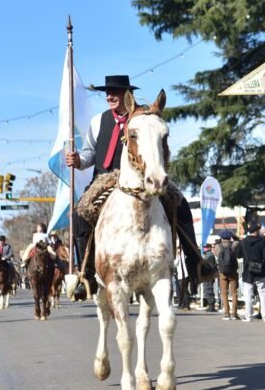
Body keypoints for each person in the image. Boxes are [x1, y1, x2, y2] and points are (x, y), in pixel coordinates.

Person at [65, 75, 207, 297]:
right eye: (107, 93)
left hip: (141, 176)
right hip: (105, 178)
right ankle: (87, 274)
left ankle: (196, 262)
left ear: (127, 95)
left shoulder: (145, 116)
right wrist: (79, 160)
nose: (110, 96)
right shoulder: (97, 121)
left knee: (180, 204)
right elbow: (90, 152)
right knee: (79, 213)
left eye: (115, 92)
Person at [239, 225, 265, 322]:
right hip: (260, 270)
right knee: (263, 294)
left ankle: (248, 316)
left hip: (247, 270)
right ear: (256, 231)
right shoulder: (262, 241)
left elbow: (239, 254)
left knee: (248, 295)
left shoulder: (243, 242)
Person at [215, 230, 240, 320]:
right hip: (233, 271)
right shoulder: (234, 245)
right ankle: (234, 314)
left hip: (222, 272)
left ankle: (227, 313)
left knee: (224, 293)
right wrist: (234, 236)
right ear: (230, 237)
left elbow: (217, 255)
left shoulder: (217, 246)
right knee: (234, 292)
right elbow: (238, 241)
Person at [201, 243, 217, 312]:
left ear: (210, 248)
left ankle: (211, 306)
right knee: (207, 290)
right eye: (204, 247)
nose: (205, 248)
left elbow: (211, 266)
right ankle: (210, 305)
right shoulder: (207, 255)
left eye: (206, 247)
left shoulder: (209, 255)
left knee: (208, 290)